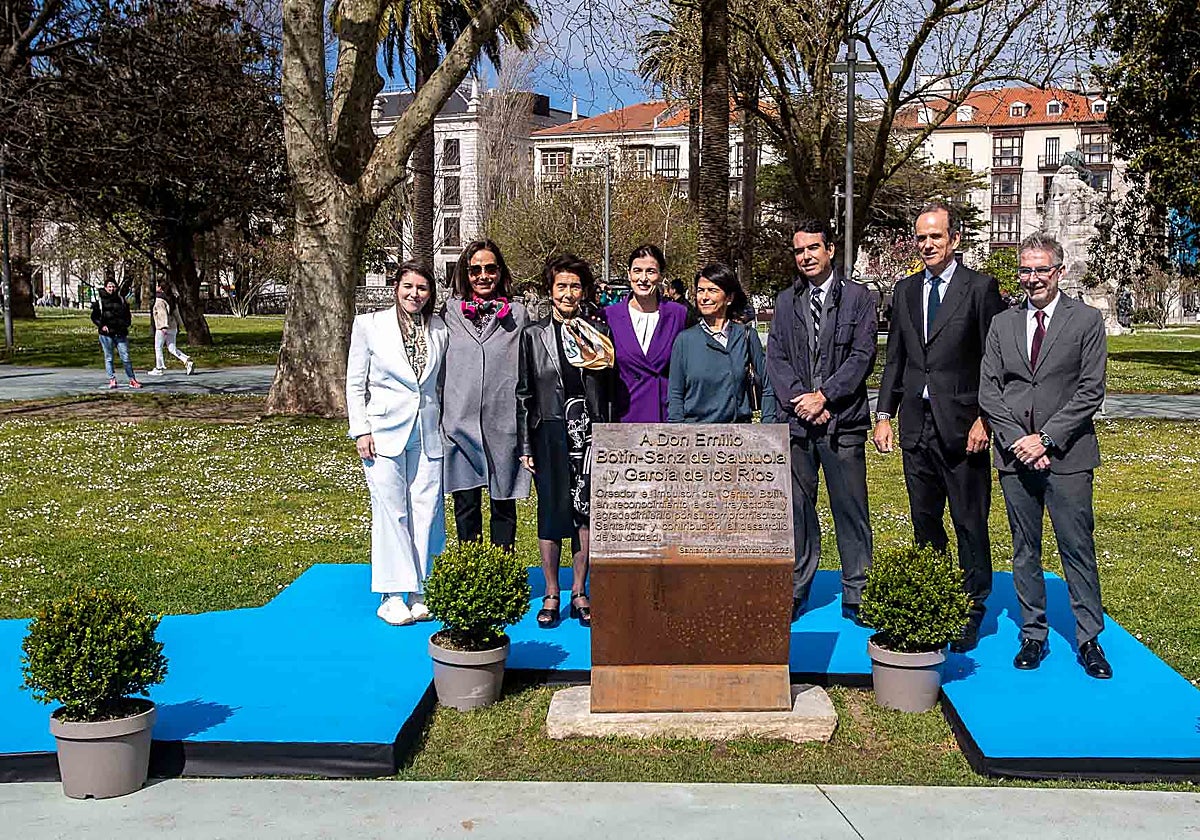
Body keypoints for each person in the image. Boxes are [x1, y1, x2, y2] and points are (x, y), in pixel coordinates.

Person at [873, 200, 1005, 652]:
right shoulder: (905, 290)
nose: (927, 244)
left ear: (955, 239)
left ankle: (972, 606)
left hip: (965, 428)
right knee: (924, 519)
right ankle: (936, 599)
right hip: (916, 425)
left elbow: (993, 360)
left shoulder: (980, 288)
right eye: (921, 237)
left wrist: (986, 418)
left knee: (969, 521)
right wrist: (884, 414)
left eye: (936, 236)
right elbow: (896, 359)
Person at [978, 233, 1111, 678]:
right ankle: (1032, 634)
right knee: (1024, 550)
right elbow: (990, 391)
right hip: (1015, 457)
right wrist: (1020, 439)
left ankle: (1089, 639)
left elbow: (1091, 390)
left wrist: (1046, 439)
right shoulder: (1002, 324)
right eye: (1025, 270)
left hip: (1068, 457)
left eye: (1041, 269)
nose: (1032, 278)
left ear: (1060, 272)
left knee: (1077, 548)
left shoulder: (1086, 320)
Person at [767, 219, 878, 622]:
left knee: (851, 509)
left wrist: (825, 396)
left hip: (843, 422)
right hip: (798, 424)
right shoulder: (785, 302)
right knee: (798, 512)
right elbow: (776, 357)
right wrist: (802, 401)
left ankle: (858, 591)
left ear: (830, 250)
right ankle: (797, 588)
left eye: (813, 248)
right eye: (799, 250)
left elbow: (863, 356)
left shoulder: (859, 298)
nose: (806, 256)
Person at [347, 262, 449, 626]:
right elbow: (355, 383)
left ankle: (420, 590)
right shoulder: (369, 325)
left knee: (427, 511)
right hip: (382, 432)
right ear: (396, 287)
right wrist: (361, 430)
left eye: (422, 288)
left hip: (428, 431)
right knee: (391, 512)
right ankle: (391, 595)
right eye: (408, 286)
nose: (414, 294)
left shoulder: (439, 328)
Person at [516, 254, 615, 628]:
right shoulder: (533, 335)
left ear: (583, 290)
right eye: (562, 286)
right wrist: (526, 445)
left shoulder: (597, 331)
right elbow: (524, 393)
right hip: (549, 431)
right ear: (550, 290)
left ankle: (579, 591)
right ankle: (551, 592)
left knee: (585, 512)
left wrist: (607, 433)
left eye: (575, 286)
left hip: (589, 432)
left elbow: (608, 388)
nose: (568, 293)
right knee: (552, 511)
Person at [440, 240, 531, 551]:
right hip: (460, 424)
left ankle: (502, 567)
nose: (483, 276)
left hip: (502, 426)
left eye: (490, 268)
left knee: (503, 506)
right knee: (466, 505)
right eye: (475, 269)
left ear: (500, 272)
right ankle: (472, 568)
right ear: (465, 273)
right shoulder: (450, 312)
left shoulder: (518, 314)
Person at [668, 262, 778, 424]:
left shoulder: (746, 336)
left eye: (712, 290)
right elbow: (675, 394)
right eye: (700, 291)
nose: (704, 297)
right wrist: (677, 430)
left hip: (739, 433)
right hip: (695, 433)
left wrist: (768, 423)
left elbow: (768, 384)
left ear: (729, 298)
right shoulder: (684, 340)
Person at [604, 244, 689, 422]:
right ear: (629, 274)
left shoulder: (679, 315)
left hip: (665, 418)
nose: (643, 278)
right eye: (637, 271)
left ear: (661, 276)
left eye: (650, 271)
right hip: (624, 418)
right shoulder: (608, 316)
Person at [90, 279, 141, 390]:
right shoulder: (100, 301)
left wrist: (126, 324)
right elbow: (94, 317)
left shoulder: (121, 299)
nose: (111, 289)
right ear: (105, 288)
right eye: (109, 287)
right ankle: (112, 379)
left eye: (113, 287)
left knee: (125, 357)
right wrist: (101, 325)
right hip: (106, 334)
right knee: (109, 357)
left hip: (120, 333)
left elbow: (127, 315)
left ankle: (132, 379)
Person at [148, 283, 194, 376]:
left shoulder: (159, 300)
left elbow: (162, 313)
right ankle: (186, 360)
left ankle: (159, 368)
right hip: (173, 326)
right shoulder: (171, 299)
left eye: (157, 286)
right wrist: (180, 324)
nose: (156, 287)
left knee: (158, 347)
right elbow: (176, 313)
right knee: (172, 348)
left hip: (162, 327)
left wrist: (164, 326)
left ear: (160, 288)